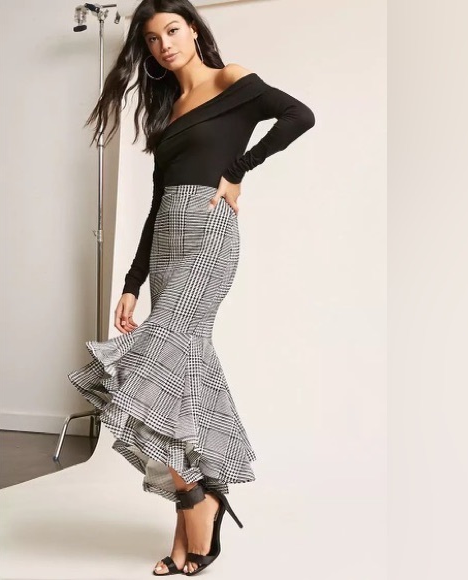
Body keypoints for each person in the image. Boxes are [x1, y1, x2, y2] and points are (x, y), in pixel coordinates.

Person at [67, 0, 315, 575]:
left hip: (208, 232)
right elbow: (156, 206)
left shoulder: (233, 81)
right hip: (167, 243)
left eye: (173, 30)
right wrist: (132, 282)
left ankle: (198, 500)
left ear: (195, 30)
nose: (165, 45)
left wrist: (238, 171)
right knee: (184, 370)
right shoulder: (170, 110)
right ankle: (196, 504)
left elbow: (299, 115)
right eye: (153, 39)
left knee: (155, 363)